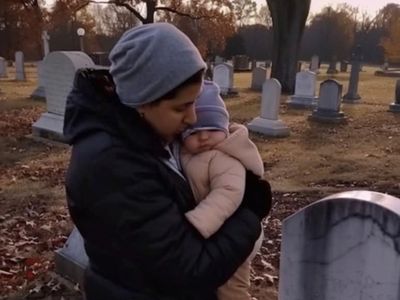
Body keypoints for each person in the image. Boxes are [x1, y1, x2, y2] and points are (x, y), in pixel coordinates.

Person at [63, 22, 272, 300]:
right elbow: (189, 271)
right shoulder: (113, 165)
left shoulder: (144, 137)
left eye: (194, 102)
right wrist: (249, 213)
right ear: (142, 101)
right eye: (181, 107)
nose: (193, 118)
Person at [181, 80, 265, 300]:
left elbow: (228, 192)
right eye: (194, 131)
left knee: (231, 288)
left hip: (230, 229)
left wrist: (198, 223)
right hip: (216, 234)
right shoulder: (185, 154)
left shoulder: (224, 157)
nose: (203, 137)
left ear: (224, 128)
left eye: (211, 128)